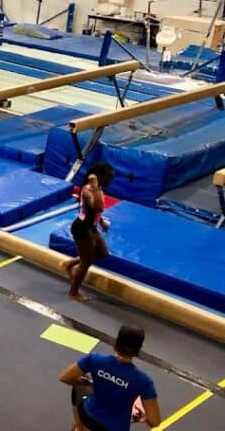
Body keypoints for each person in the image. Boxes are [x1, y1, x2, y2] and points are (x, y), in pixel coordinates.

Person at [60, 324, 161, 431]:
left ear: (117, 342)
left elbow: (65, 377)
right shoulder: (144, 381)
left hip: (88, 417)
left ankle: (79, 428)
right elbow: (155, 422)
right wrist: (143, 417)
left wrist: (87, 383)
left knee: (79, 384)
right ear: (139, 349)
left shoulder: (95, 359)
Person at [59, 162, 114, 302]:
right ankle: (73, 292)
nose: (110, 181)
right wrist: (95, 187)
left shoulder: (98, 188)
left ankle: (69, 264)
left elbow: (97, 212)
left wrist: (101, 222)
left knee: (102, 253)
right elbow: (98, 207)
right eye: (108, 177)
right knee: (86, 263)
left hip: (91, 227)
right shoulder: (88, 190)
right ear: (98, 177)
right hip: (82, 228)